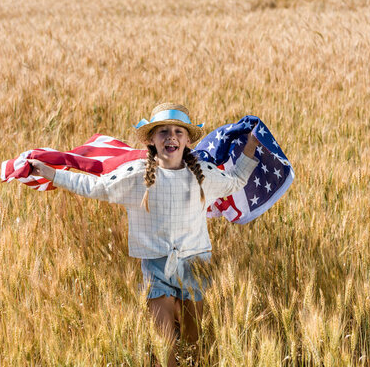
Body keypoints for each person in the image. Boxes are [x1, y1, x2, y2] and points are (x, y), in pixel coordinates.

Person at [28, 103, 259, 366]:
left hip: (196, 266)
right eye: (162, 131)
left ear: (187, 140)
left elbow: (236, 181)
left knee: (196, 348)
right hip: (156, 267)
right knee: (164, 351)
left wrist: (251, 143)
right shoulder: (137, 176)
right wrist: (52, 174)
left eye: (178, 132)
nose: (171, 136)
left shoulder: (202, 175)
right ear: (151, 139)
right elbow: (95, 186)